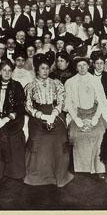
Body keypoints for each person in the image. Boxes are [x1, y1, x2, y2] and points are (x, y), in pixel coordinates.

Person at [24, 54, 73, 187]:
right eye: (42, 68)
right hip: (37, 117)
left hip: (55, 114)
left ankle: (59, 175)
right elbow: (28, 106)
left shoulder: (56, 83)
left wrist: (54, 114)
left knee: (59, 137)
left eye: (47, 68)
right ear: (37, 70)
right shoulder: (30, 86)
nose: (45, 71)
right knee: (39, 138)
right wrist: (41, 115)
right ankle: (39, 175)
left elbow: (62, 101)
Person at [64, 56, 107, 177]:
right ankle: (80, 168)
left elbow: (102, 101)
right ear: (76, 68)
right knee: (75, 133)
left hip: (94, 113)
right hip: (77, 114)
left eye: (84, 65)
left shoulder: (95, 80)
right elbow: (68, 103)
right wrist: (77, 119)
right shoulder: (70, 82)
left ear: (89, 66)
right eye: (79, 65)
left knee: (100, 133)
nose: (82, 68)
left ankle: (99, 168)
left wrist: (95, 119)